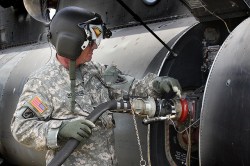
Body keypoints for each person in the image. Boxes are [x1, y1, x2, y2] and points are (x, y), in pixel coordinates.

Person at [11, 6, 181, 166]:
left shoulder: (98, 71)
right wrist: (61, 129)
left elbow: (132, 88)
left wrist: (157, 84)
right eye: (91, 42)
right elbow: (21, 127)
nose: (95, 47)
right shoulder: (42, 83)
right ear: (72, 43)